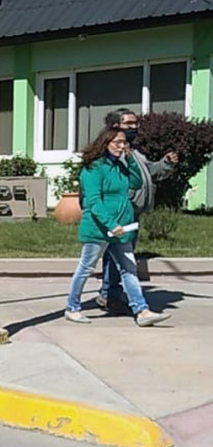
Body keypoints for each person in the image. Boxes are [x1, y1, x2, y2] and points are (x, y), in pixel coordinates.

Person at [64, 126, 171, 327]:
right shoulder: (93, 168)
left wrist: (130, 160)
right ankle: (72, 307)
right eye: (117, 143)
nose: (122, 147)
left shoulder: (121, 166)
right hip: (99, 229)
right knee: (86, 267)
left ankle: (142, 310)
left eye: (124, 143)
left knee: (129, 268)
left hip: (122, 227)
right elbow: (94, 201)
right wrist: (111, 224)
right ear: (105, 144)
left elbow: (137, 182)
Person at [97, 109, 180, 314]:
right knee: (118, 257)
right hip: (119, 211)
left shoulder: (134, 151)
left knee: (122, 257)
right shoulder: (110, 152)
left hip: (131, 212)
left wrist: (166, 164)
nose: (135, 128)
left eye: (136, 124)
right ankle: (110, 296)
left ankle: (111, 295)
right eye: (129, 124)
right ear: (115, 126)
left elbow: (150, 173)